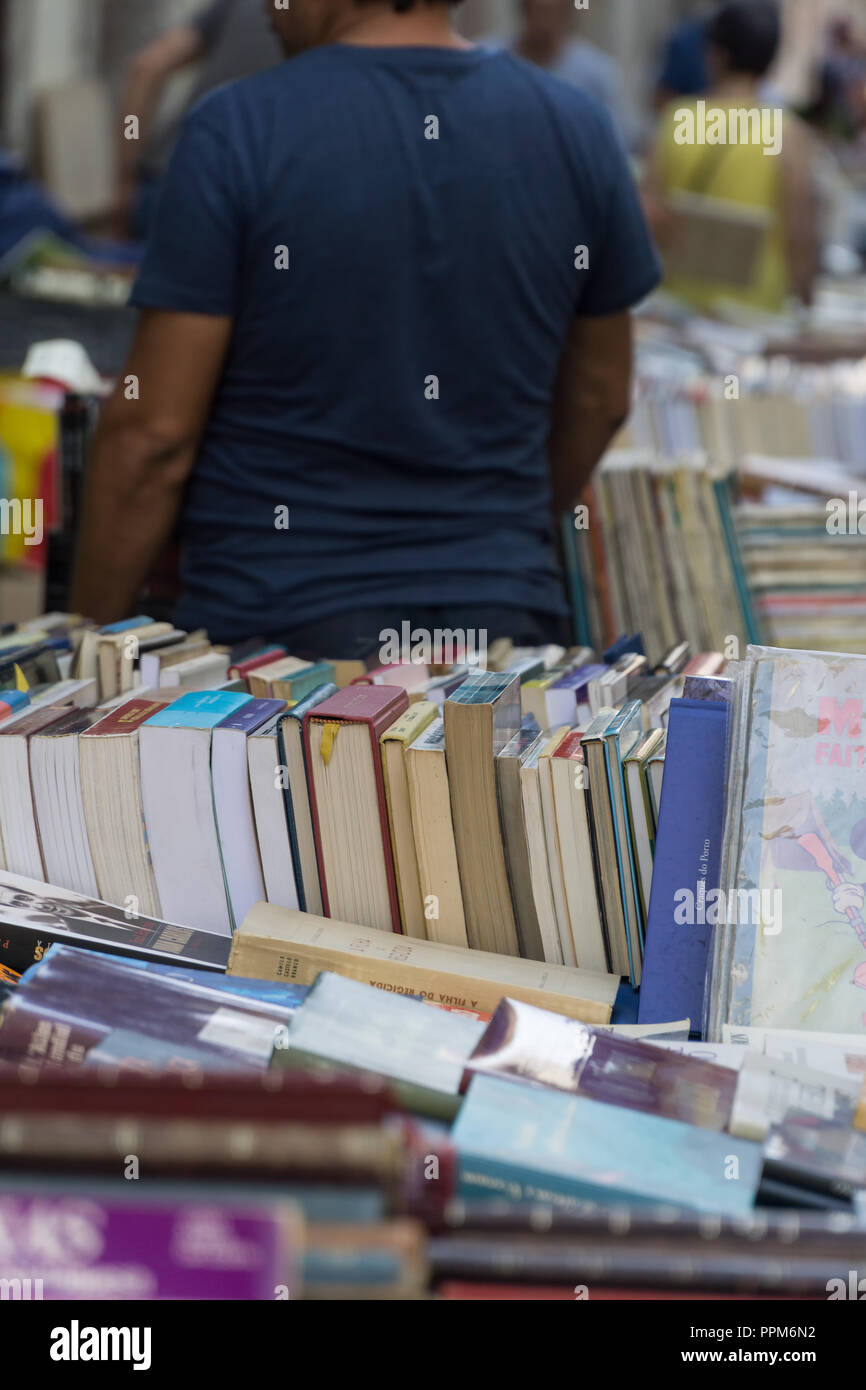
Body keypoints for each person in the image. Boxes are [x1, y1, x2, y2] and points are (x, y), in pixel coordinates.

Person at [71, 0, 660, 657]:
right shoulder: (577, 127)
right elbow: (601, 395)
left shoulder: (239, 126)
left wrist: (85, 655)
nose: (269, 10)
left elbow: (153, 436)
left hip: (279, 654)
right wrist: (494, 531)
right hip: (501, 635)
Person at [643, 0, 818, 317]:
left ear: (716, 54)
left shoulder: (678, 119)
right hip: (756, 314)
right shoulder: (785, 133)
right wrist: (806, 299)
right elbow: (799, 236)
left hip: (679, 311)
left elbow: (644, 214)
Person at [112, 0, 280, 238]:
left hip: (160, 180)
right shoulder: (329, 31)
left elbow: (146, 68)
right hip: (234, 203)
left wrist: (124, 179)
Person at [483, 0, 637, 149]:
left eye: (550, 11)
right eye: (538, 10)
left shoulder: (597, 73)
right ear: (523, 7)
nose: (544, 18)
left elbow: (622, 140)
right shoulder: (486, 61)